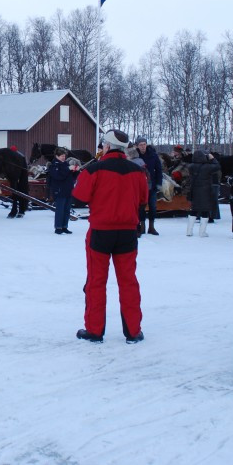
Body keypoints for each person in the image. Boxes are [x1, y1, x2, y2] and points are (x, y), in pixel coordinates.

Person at [71, 130, 148, 343]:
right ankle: (133, 331)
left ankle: (95, 330)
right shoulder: (138, 171)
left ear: (106, 146)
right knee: (128, 281)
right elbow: (143, 199)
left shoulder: (94, 169)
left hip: (101, 232)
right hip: (127, 232)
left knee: (96, 281)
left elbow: (79, 196)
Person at [186, 150, 221, 237]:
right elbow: (217, 166)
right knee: (205, 210)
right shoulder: (207, 167)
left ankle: (189, 231)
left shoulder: (191, 166)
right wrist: (212, 158)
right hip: (206, 191)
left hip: (194, 190)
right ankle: (202, 232)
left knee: (194, 210)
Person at [47, 148, 80, 234]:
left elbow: (72, 178)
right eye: (62, 156)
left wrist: (76, 171)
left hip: (68, 190)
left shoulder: (65, 164)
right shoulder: (53, 166)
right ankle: (58, 227)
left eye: (64, 156)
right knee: (60, 210)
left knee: (67, 210)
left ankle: (65, 226)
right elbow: (59, 176)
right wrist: (68, 169)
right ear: (57, 156)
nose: (63, 158)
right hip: (59, 190)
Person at [135, 137, 163, 235]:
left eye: (144, 144)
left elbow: (159, 170)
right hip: (140, 186)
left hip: (152, 185)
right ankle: (141, 226)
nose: (143, 146)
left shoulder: (153, 155)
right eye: (141, 145)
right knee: (141, 207)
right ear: (137, 146)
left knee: (153, 206)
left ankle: (151, 227)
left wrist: (159, 183)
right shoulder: (135, 156)